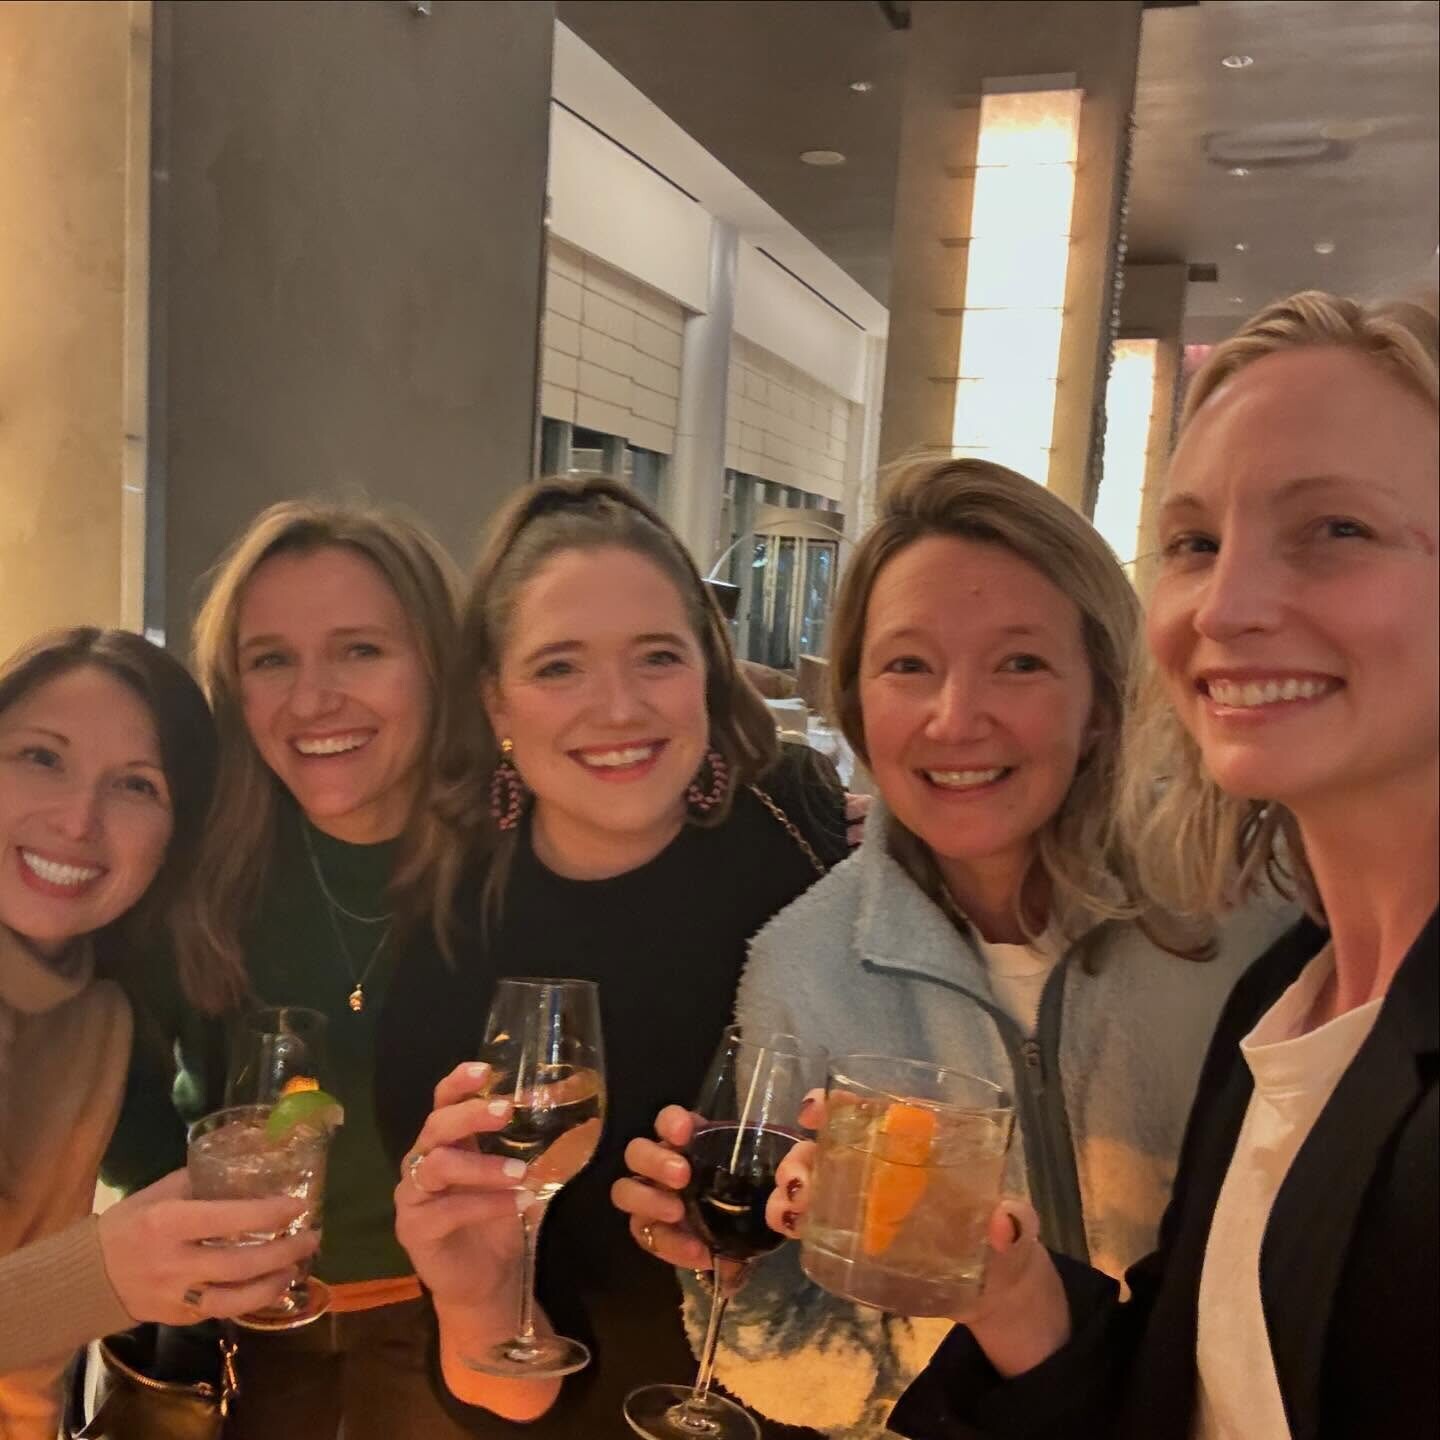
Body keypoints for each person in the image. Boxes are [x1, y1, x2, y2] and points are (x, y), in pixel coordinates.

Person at [614, 456, 1294, 1438]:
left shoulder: (1244, 919)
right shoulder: (808, 964)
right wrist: (741, 1268)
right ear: (856, 703)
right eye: (908, 665)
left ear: (1102, 701)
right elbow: (784, 1367)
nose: (955, 717)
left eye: (1019, 663)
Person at [863, 290, 1437, 1440]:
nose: (1226, 606)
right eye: (1195, 544)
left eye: (1335, 529)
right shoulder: (1283, 1001)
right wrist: (1012, 1294)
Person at [373, 475, 849, 1435]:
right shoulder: (446, 946)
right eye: (559, 667)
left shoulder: (802, 840)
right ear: (495, 701)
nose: (620, 708)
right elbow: (507, 1397)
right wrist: (480, 1298)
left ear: (708, 672)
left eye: (657, 657)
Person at [102, 502, 476, 1440]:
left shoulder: (511, 866)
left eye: (360, 651)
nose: (312, 701)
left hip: (451, 1322)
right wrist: (191, 1209)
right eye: (271, 660)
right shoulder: (197, 867)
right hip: (244, 1325)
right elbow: (116, 1079)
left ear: (438, 665)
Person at [0, 627, 318, 1439]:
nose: (78, 820)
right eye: (41, 757)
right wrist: (99, 1275)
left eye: (135, 786)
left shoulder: (97, 1020)